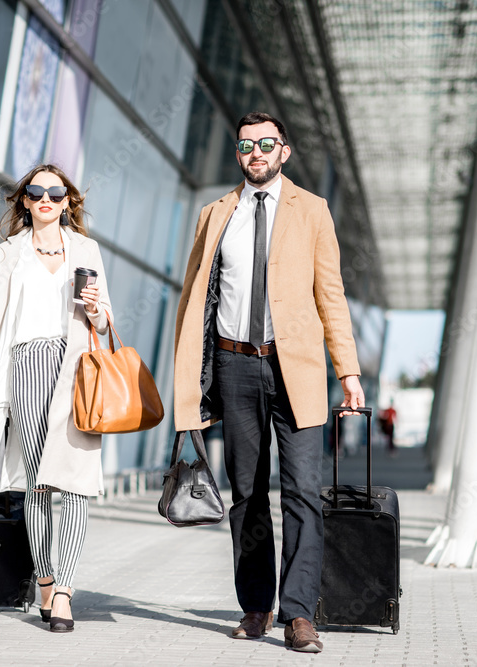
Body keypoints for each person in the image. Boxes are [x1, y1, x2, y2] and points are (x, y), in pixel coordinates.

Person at [173, 112, 364, 653]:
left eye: (265, 144)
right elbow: (194, 300)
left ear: (284, 151)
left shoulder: (313, 211)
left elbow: (332, 295)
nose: (255, 152)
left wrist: (347, 371)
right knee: (248, 494)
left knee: (302, 491)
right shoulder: (215, 214)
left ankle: (299, 613)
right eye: (245, 145)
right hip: (235, 367)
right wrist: (191, 377)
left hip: (297, 368)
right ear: (238, 154)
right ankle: (256, 606)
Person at [0, 164, 112, 633]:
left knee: (74, 482)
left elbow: (104, 321)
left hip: (76, 368)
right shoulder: (8, 253)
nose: (46, 199)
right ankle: (45, 578)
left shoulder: (87, 249)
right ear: (26, 200)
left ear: (68, 200)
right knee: (38, 483)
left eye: (56, 193)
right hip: (26, 365)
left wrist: (96, 308)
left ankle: (64, 592)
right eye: (36, 192)